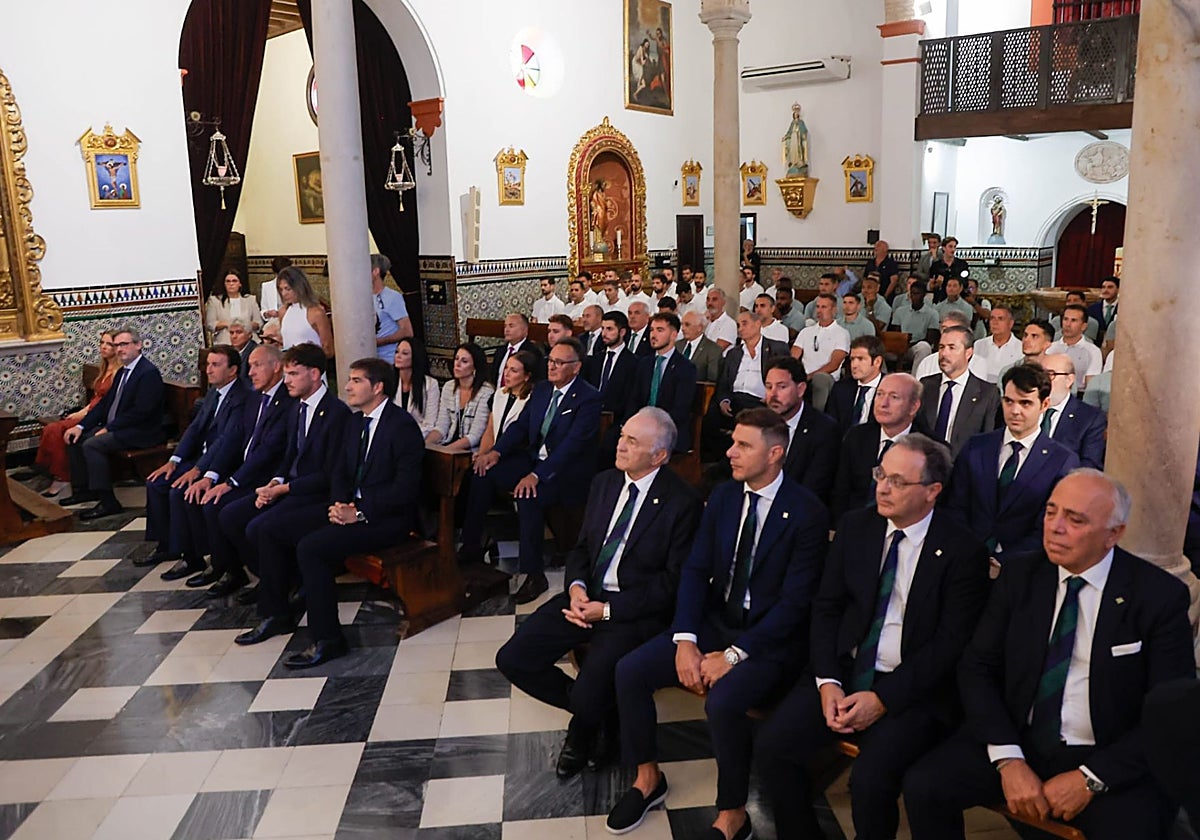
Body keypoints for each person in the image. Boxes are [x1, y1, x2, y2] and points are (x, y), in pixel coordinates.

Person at [903, 469, 1195, 840]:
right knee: (924, 786)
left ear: (1114, 533)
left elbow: (1170, 712)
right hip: (1020, 738)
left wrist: (1091, 779)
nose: (1055, 527)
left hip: (1107, 753)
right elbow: (977, 666)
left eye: (1074, 520)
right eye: (1051, 512)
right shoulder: (1022, 575)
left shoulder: (1157, 596)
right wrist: (1009, 759)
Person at [606, 408, 829, 839]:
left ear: (776, 453)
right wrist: (686, 640)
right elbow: (694, 570)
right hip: (717, 620)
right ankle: (648, 778)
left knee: (723, 702)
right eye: (733, 442)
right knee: (629, 670)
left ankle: (733, 814)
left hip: (768, 639)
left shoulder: (806, 512)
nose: (730, 452)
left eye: (744, 445)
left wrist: (731, 655)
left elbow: (794, 604)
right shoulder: (725, 497)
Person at [756, 433, 989, 840]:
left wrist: (884, 699)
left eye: (899, 481)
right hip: (845, 671)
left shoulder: (961, 550)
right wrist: (827, 681)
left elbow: (949, 645)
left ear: (932, 491)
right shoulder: (857, 526)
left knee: (869, 780)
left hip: (914, 688)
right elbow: (826, 607)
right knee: (773, 747)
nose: (882, 487)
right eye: (882, 474)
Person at [494, 409, 703, 778]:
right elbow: (582, 550)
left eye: (632, 441)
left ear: (659, 456)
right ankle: (600, 715)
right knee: (513, 659)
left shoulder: (681, 502)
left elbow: (671, 584)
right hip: (584, 598)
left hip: (630, 614)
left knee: (590, 692)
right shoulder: (605, 482)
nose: (619, 445)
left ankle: (583, 727)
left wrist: (605, 611)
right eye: (622, 436)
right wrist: (575, 588)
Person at [241, 358, 424, 668]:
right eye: (349, 380)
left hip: (388, 519)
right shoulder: (355, 422)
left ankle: (328, 639)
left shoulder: (401, 426)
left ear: (377, 387)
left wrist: (360, 512)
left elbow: (404, 490)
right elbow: (339, 472)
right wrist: (340, 505)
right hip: (349, 509)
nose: (348, 387)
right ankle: (277, 613)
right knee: (271, 529)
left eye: (356, 380)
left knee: (312, 548)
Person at [464, 338, 602, 603]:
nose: (552, 367)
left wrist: (537, 475)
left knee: (528, 495)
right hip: (534, 460)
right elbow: (520, 427)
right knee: (482, 474)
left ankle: (533, 574)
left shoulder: (589, 398)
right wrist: (495, 451)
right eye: (550, 361)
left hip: (566, 471)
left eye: (560, 363)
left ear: (576, 367)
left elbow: (572, 447)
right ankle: (471, 548)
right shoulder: (541, 390)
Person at [227, 344, 350, 616]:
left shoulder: (337, 414)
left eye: (293, 374)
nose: (287, 381)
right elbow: (289, 456)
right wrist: (274, 482)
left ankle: (276, 610)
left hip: (317, 496)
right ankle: (281, 579)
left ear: (315, 374)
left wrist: (284, 489)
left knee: (263, 528)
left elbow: (330, 475)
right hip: (290, 489)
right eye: (286, 373)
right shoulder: (296, 407)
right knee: (233, 515)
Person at [946, 364, 1079, 558]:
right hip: (965, 560)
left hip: (1022, 570)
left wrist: (1004, 562)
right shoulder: (976, 447)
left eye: (1025, 403)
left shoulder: (1062, 461)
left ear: (1044, 405)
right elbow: (954, 506)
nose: (1015, 410)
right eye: (1009, 401)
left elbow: (1050, 526)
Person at [193, 343, 293, 598]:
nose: (251, 372)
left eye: (257, 365)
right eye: (250, 367)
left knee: (226, 510)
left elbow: (269, 451)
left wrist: (232, 483)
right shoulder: (255, 398)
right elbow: (233, 440)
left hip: (267, 478)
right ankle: (231, 570)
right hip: (246, 471)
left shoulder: (287, 402)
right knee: (208, 500)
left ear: (276, 367)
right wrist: (212, 475)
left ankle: (268, 577)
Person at [142, 345, 248, 580]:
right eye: (208, 364)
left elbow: (226, 441)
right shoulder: (214, 392)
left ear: (232, 370)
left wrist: (199, 470)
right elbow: (195, 428)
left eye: (215, 365)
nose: (208, 370)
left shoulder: (241, 397)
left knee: (179, 491)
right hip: (199, 457)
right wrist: (174, 460)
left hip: (220, 463)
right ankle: (167, 546)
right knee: (157, 482)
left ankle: (193, 557)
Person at [62, 327, 165, 520]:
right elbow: (103, 406)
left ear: (138, 345)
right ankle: (84, 489)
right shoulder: (121, 373)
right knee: (75, 437)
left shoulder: (147, 373)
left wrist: (109, 428)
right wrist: (80, 425)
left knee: (93, 444)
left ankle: (108, 502)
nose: (119, 349)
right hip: (120, 427)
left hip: (141, 432)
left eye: (124, 344)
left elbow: (142, 412)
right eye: (117, 345)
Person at [35, 331, 118, 498]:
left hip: (100, 417)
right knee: (53, 428)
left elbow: (106, 404)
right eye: (102, 342)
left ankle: (62, 477)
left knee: (57, 430)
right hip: (90, 412)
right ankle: (54, 472)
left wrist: (84, 415)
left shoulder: (120, 371)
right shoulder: (104, 367)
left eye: (109, 344)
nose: (103, 346)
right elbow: (95, 399)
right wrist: (80, 412)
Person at [832, 373, 923, 522]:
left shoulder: (927, 449)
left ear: (913, 407)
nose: (883, 403)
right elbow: (840, 492)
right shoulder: (856, 437)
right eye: (879, 394)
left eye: (894, 397)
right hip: (853, 525)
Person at [704, 311, 790, 460]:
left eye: (744, 324)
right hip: (734, 399)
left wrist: (771, 394)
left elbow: (786, 377)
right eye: (738, 325)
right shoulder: (734, 353)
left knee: (749, 416)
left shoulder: (776, 348)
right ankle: (718, 461)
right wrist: (724, 400)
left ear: (757, 325)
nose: (740, 329)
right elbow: (723, 382)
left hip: (759, 400)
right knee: (709, 415)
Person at [763, 357, 839, 503]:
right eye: (768, 387)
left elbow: (814, 489)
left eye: (782, 387)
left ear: (800, 389)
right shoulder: (758, 422)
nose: (773, 395)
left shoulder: (824, 430)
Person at [919, 325, 1000, 460]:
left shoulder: (987, 393)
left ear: (968, 353)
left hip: (964, 469)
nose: (944, 353)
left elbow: (988, 439)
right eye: (941, 347)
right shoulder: (926, 385)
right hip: (925, 466)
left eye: (952, 347)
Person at [623, 313, 698, 453]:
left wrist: (653, 428)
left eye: (660, 330)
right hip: (642, 427)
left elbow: (680, 409)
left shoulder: (685, 368)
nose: (653, 335)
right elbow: (633, 400)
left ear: (674, 335)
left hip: (669, 431)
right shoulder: (644, 363)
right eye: (651, 330)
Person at [1039, 354, 1107, 469]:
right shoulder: (1025, 409)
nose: (1042, 381)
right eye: (1039, 375)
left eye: (1050, 374)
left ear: (1069, 380)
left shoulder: (1090, 418)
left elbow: (1089, 465)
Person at [427, 343, 494, 452]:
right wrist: (427, 445)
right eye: (456, 359)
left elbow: (475, 436)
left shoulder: (486, 392)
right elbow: (441, 427)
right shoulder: (449, 387)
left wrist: (445, 452)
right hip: (446, 444)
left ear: (475, 367)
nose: (457, 364)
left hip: (470, 451)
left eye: (464, 361)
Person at [476, 350, 538, 465]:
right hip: (493, 452)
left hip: (514, 456)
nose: (507, 374)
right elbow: (490, 431)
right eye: (506, 368)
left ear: (526, 376)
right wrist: (481, 454)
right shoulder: (499, 394)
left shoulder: (532, 400)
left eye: (513, 370)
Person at [792, 293, 851, 412]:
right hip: (804, 375)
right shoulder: (806, 331)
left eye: (824, 307)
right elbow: (793, 357)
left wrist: (810, 376)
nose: (819, 310)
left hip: (827, 378)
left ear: (834, 310)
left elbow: (834, 365)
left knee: (820, 379)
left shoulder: (841, 333)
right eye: (818, 307)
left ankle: (817, 416)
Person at [825, 335, 885, 433]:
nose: (854, 365)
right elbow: (830, 425)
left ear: (877, 362)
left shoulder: (891, 388)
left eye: (861, 359)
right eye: (852, 359)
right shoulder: (841, 388)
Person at [583, 311, 636, 416]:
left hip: (617, 418)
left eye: (609, 329)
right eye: (602, 329)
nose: (604, 334)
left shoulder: (633, 362)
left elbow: (631, 399)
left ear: (622, 332)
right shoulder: (594, 360)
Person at [277, 266, 333, 357]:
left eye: (288, 289)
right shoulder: (283, 312)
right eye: (281, 289)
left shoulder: (316, 313)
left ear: (299, 287)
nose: (284, 294)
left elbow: (328, 349)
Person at [887, 280, 941, 371]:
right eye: (912, 293)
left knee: (924, 347)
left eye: (917, 294)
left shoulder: (932, 313)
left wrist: (910, 344)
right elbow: (895, 332)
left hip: (915, 347)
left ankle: (916, 378)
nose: (914, 296)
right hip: (899, 346)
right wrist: (901, 344)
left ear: (924, 295)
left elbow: (930, 339)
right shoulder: (900, 311)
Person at [393, 336, 440, 437]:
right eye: (397, 352)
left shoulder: (430, 384)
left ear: (415, 357)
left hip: (417, 436)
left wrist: (406, 436)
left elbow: (429, 424)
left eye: (404, 353)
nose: (398, 356)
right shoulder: (389, 381)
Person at [1049, 304, 1103, 391]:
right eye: (1065, 319)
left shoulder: (1093, 351)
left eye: (1073, 320)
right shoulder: (1050, 348)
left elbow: (1091, 385)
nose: (1068, 324)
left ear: (1083, 326)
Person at [371, 253, 413, 362]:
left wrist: (380, 341)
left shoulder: (393, 297)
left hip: (388, 359)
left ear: (376, 272)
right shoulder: (361, 297)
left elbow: (407, 331)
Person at [205, 267, 262, 346]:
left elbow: (259, 323)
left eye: (234, 281)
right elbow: (210, 324)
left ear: (240, 284)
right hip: (224, 342)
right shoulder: (215, 301)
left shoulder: (250, 300)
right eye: (228, 281)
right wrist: (228, 324)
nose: (231, 284)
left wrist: (245, 325)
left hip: (249, 341)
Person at [488, 313, 543, 389]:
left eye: (511, 326)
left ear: (525, 330)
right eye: (505, 326)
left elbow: (535, 381)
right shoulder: (500, 351)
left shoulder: (533, 352)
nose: (506, 330)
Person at [972, 305, 1023, 383]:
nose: (995, 323)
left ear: (1010, 323)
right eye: (992, 318)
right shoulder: (979, 345)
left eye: (1000, 319)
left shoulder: (1021, 348)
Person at [677, 310, 721, 382]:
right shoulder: (677, 345)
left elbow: (712, 379)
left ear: (699, 328)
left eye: (687, 325)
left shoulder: (713, 349)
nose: (683, 329)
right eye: (682, 324)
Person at [258, 256, 291, 324]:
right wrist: (268, 313)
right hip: (274, 322)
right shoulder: (267, 286)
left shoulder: (295, 285)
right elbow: (263, 310)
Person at [704, 287, 738, 352]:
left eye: (714, 299)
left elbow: (716, 350)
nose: (710, 303)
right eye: (708, 299)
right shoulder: (705, 321)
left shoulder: (729, 323)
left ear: (723, 302)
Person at [1087, 276, 1119, 341]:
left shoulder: (1123, 309)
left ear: (1118, 289)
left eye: (1110, 287)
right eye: (1103, 287)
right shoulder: (1092, 309)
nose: (1105, 290)